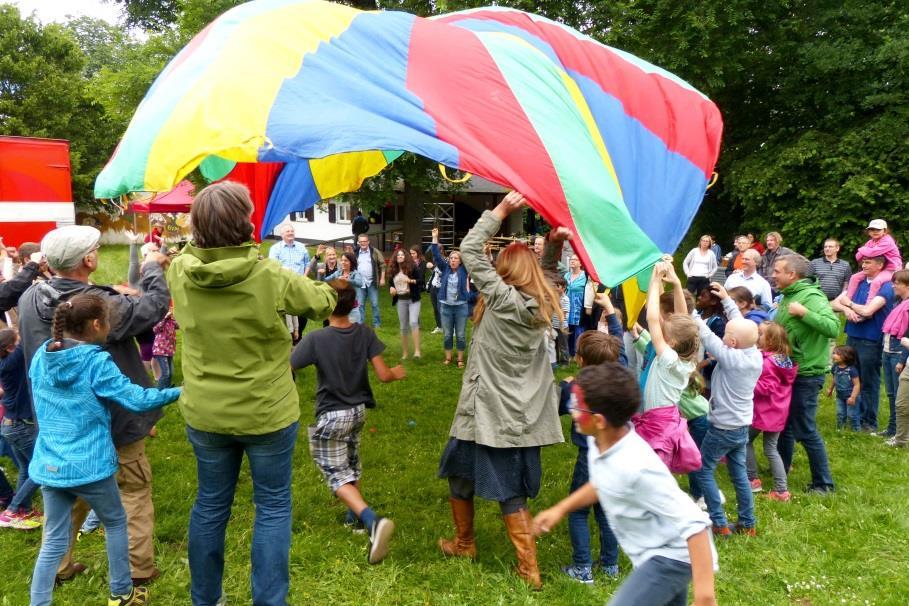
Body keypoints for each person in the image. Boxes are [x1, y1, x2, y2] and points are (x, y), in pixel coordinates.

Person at [166, 182, 337, 606]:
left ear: (197, 225)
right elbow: (322, 302)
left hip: (206, 410)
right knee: (273, 507)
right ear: (245, 222)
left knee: (210, 505)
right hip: (267, 411)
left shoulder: (178, 270)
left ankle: (205, 600)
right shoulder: (269, 274)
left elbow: (193, 254)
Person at [18, 224, 171, 585]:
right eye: (96, 249)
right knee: (132, 491)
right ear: (88, 260)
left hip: (58, 424)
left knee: (68, 494)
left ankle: (58, 566)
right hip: (113, 421)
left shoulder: (30, 297)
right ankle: (137, 572)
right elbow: (152, 308)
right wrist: (151, 266)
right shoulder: (97, 306)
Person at [436, 192, 563, 590]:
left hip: (492, 410)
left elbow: (471, 250)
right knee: (460, 475)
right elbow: (547, 273)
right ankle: (464, 543)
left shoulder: (504, 298)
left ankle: (530, 570)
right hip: (507, 411)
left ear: (506, 273)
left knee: (508, 491)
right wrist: (555, 244)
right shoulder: (541, 300)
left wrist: (503, 211)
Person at [28, 293, 181, 606]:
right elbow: (136, 399)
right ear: (97, 324)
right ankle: (121, 593)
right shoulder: (95, 361)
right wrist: (182, 391)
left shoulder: (41, 356)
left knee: (54, 538)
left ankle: (38, 601)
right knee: (114, 523)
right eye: (109, 322)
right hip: (91, 465)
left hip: (50, 465)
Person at [533, 363, 717, 606]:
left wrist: (705, 595)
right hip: (656, 553)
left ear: (599, 420)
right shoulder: (599, 442)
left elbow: (695, 523)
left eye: (576, 406)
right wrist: (560, 509)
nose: (571, 411)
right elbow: (602, 482)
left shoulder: (636, 465)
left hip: (671, 556)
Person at [291, 280, 405, 564]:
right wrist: (396, 373)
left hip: (332, 414)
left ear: (325, 305)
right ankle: (353, 518)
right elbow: (383, 375)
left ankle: (371, 520)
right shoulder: (365, 332)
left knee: (335, 471)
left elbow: (288, 365)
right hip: (357, 411)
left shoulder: (316, 339)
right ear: (355, 304)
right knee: (351, 461)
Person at [556, 313, 624, 583]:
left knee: (578, 510)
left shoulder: (576, 389)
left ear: (580, 360)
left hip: (590, 459)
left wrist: (565, 385)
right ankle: (610, 566)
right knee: (607, 510)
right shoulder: (622, 383)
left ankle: (582, 568)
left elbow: (563, 409)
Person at [691, 283, 762, 536]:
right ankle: (748, 523)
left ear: (730, 342)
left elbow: (707, 336)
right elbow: (741, 327)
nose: (723, 337)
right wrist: (727, 302)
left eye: (726, 337)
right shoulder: (753, 353)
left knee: (704, 469)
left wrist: (692, 313)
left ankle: (719, 523)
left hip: (722, 427)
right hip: (741, 426)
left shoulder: (730, 358)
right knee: (739, 474)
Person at [772, 254, 838, 494]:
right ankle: (781, 466)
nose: (773, 274)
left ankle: (824, 484)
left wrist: (804, 313)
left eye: (777, 270)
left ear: (792, 274)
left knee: (804, 428)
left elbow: (833, 327)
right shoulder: (788, 296)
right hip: (789, 370)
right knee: (785, 423)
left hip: (807, 373)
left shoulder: (811, 297)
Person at [635, 263, 702, 475]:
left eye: (665, 328)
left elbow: (653, 318)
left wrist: (654, 282)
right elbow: (685, 320)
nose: (662, 325)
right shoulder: (686, 358)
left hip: (658, 422)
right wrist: (674, 281)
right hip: (665, 416)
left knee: (654, 471)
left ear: (671, 342)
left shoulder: (668, 359)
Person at [832, 255, 895, 432]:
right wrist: (846, 309)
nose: (864, 265)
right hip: (853, 335)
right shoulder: (858, 281)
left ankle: (869, 422)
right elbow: (834, 303)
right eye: (863, 262)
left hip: (871, 338)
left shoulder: (886, 285)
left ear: (880, 265)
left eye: (868, 262)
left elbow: (867, 311)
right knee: (853, 378)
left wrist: (849, 304)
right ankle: (854, 418)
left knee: (868, 381)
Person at [746, 321, 797, 502]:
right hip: (777, 412)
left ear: (770, 341)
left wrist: (747, 383)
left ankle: (753, 480)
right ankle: (781, 489)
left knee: (746, 440)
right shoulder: (782, 359)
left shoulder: (768, 364)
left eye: (760, 334)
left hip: (765, 411)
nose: (757, 337)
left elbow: (767, 388)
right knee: (770, 448)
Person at [0, 327, 41, 530]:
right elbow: (29, 334)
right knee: (41, 468)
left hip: (9, 425)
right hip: (19, 427)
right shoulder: (12, 362)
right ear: (9, 348)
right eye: (16, 342)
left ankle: (24, 510)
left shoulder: (5, 362)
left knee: (26, 468)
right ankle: (12, 511)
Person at [430, 229, 470, 368]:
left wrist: (469, 237)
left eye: (456, 258)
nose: (453, 260)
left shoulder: (464, 270)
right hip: (445, 306)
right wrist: (434, 238)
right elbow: (436, 254)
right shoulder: (445, 268)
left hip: (461, 307)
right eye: (451, 258)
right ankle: (448, 357)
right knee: (447, 335)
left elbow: (471, 256)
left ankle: (460, 359)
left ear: (460, 262)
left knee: (460, 335)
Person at [878, 270, 909, 438]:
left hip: (899, 353)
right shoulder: (898, 302)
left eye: (897, 282)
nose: (893, 285)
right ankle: (892, 428)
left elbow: (908, 335)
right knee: (890, 393)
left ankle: (901, 432)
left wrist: (902, 359)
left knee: (900, 396)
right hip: (888, 350)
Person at [269, 223, 311, 344]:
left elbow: (307, 263)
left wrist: (304, 276)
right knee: (288, 312)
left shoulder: (301, 247)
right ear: (282, 235)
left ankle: (299, 336)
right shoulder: (275, 249)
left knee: (303, 312)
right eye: (287, 231)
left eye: (292, 231)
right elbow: (272, 267)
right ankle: (289, 337)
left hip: (300, 284)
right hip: (284, 286)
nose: (290, 233)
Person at [846, 219, 902, 302]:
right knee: (854, 277)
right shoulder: (870, 242)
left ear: (885, 231)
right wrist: (865, 250)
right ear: (868, 232)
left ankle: (869, 305)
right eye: (872, 229)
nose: (875, 232)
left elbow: (872, 253)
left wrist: (862, 249)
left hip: (891, 270)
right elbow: (858, 257)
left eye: (878, 229)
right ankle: (847, 300)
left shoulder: (888, 241)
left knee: (876, 281)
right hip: (877, 268)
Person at [389, 248, 422, 359]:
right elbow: (391, 284)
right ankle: (405, 353)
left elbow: (421, 280)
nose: (400, 256)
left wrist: (411, 281)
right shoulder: (393, 270)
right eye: (398, 255)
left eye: (402, 255)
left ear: (406, 257)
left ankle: (417, 351)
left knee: (413, 322)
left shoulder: (412, 268)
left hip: (413, 300)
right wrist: (391, 289)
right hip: (401, 300)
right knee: (403, 327)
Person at [355, 233, 385, 328]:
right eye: (361, 242)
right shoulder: (355, 252)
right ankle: (360, 324)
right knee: (360, 305)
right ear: (358, 242)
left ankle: (377, 324)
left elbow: (383, 265)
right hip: (359, 283)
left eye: (365, 241)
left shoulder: (375, 252)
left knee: (375, 304)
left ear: (368, 242)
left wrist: (382, 278)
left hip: (372, 282)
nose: (363, 243)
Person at [325, 252, 365, 323]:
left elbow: (359, 283)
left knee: (354, 330)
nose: (343, 262)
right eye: (342, 260)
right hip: (339, 307)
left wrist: (347, 280)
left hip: (352, 309)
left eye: (346, 260)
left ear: (351, 262)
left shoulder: (355, 273)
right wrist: (321, 274)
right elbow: (325, 281)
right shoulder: (338, 273)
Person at [827, 345, 861, 431]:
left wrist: (853, 397)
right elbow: (835, 378)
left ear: (847, 356)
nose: (834, 355)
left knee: (852, 415)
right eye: (834, 353)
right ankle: (840, 429)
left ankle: (856, 430)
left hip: (851, 396)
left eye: (837, 354)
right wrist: (830, 389)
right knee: (840, 413)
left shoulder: (851, 370)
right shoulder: (835, 367)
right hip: (840, 395)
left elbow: (857, 385)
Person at [564, 254, 588, 360]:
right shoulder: (566, 276)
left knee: (579, 333)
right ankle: (569, 354)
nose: (572, 261)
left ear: (581, 263)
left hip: (579, 309)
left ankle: (578, 355)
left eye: (575, 259)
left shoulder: (585, 276)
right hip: (567, 307)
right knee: (568, 331)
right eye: (571, 259)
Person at [151, 306, 177, 389]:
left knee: (171, 372)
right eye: (168, 310)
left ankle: (167, 388)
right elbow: (155, 329)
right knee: (165, 373)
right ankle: (158, 391)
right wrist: (165, 317)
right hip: (160, 350)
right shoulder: (159, 320)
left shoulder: (171, 321)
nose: (170, 311)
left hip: (169, 350)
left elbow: (180, 325)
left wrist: (178, 315)